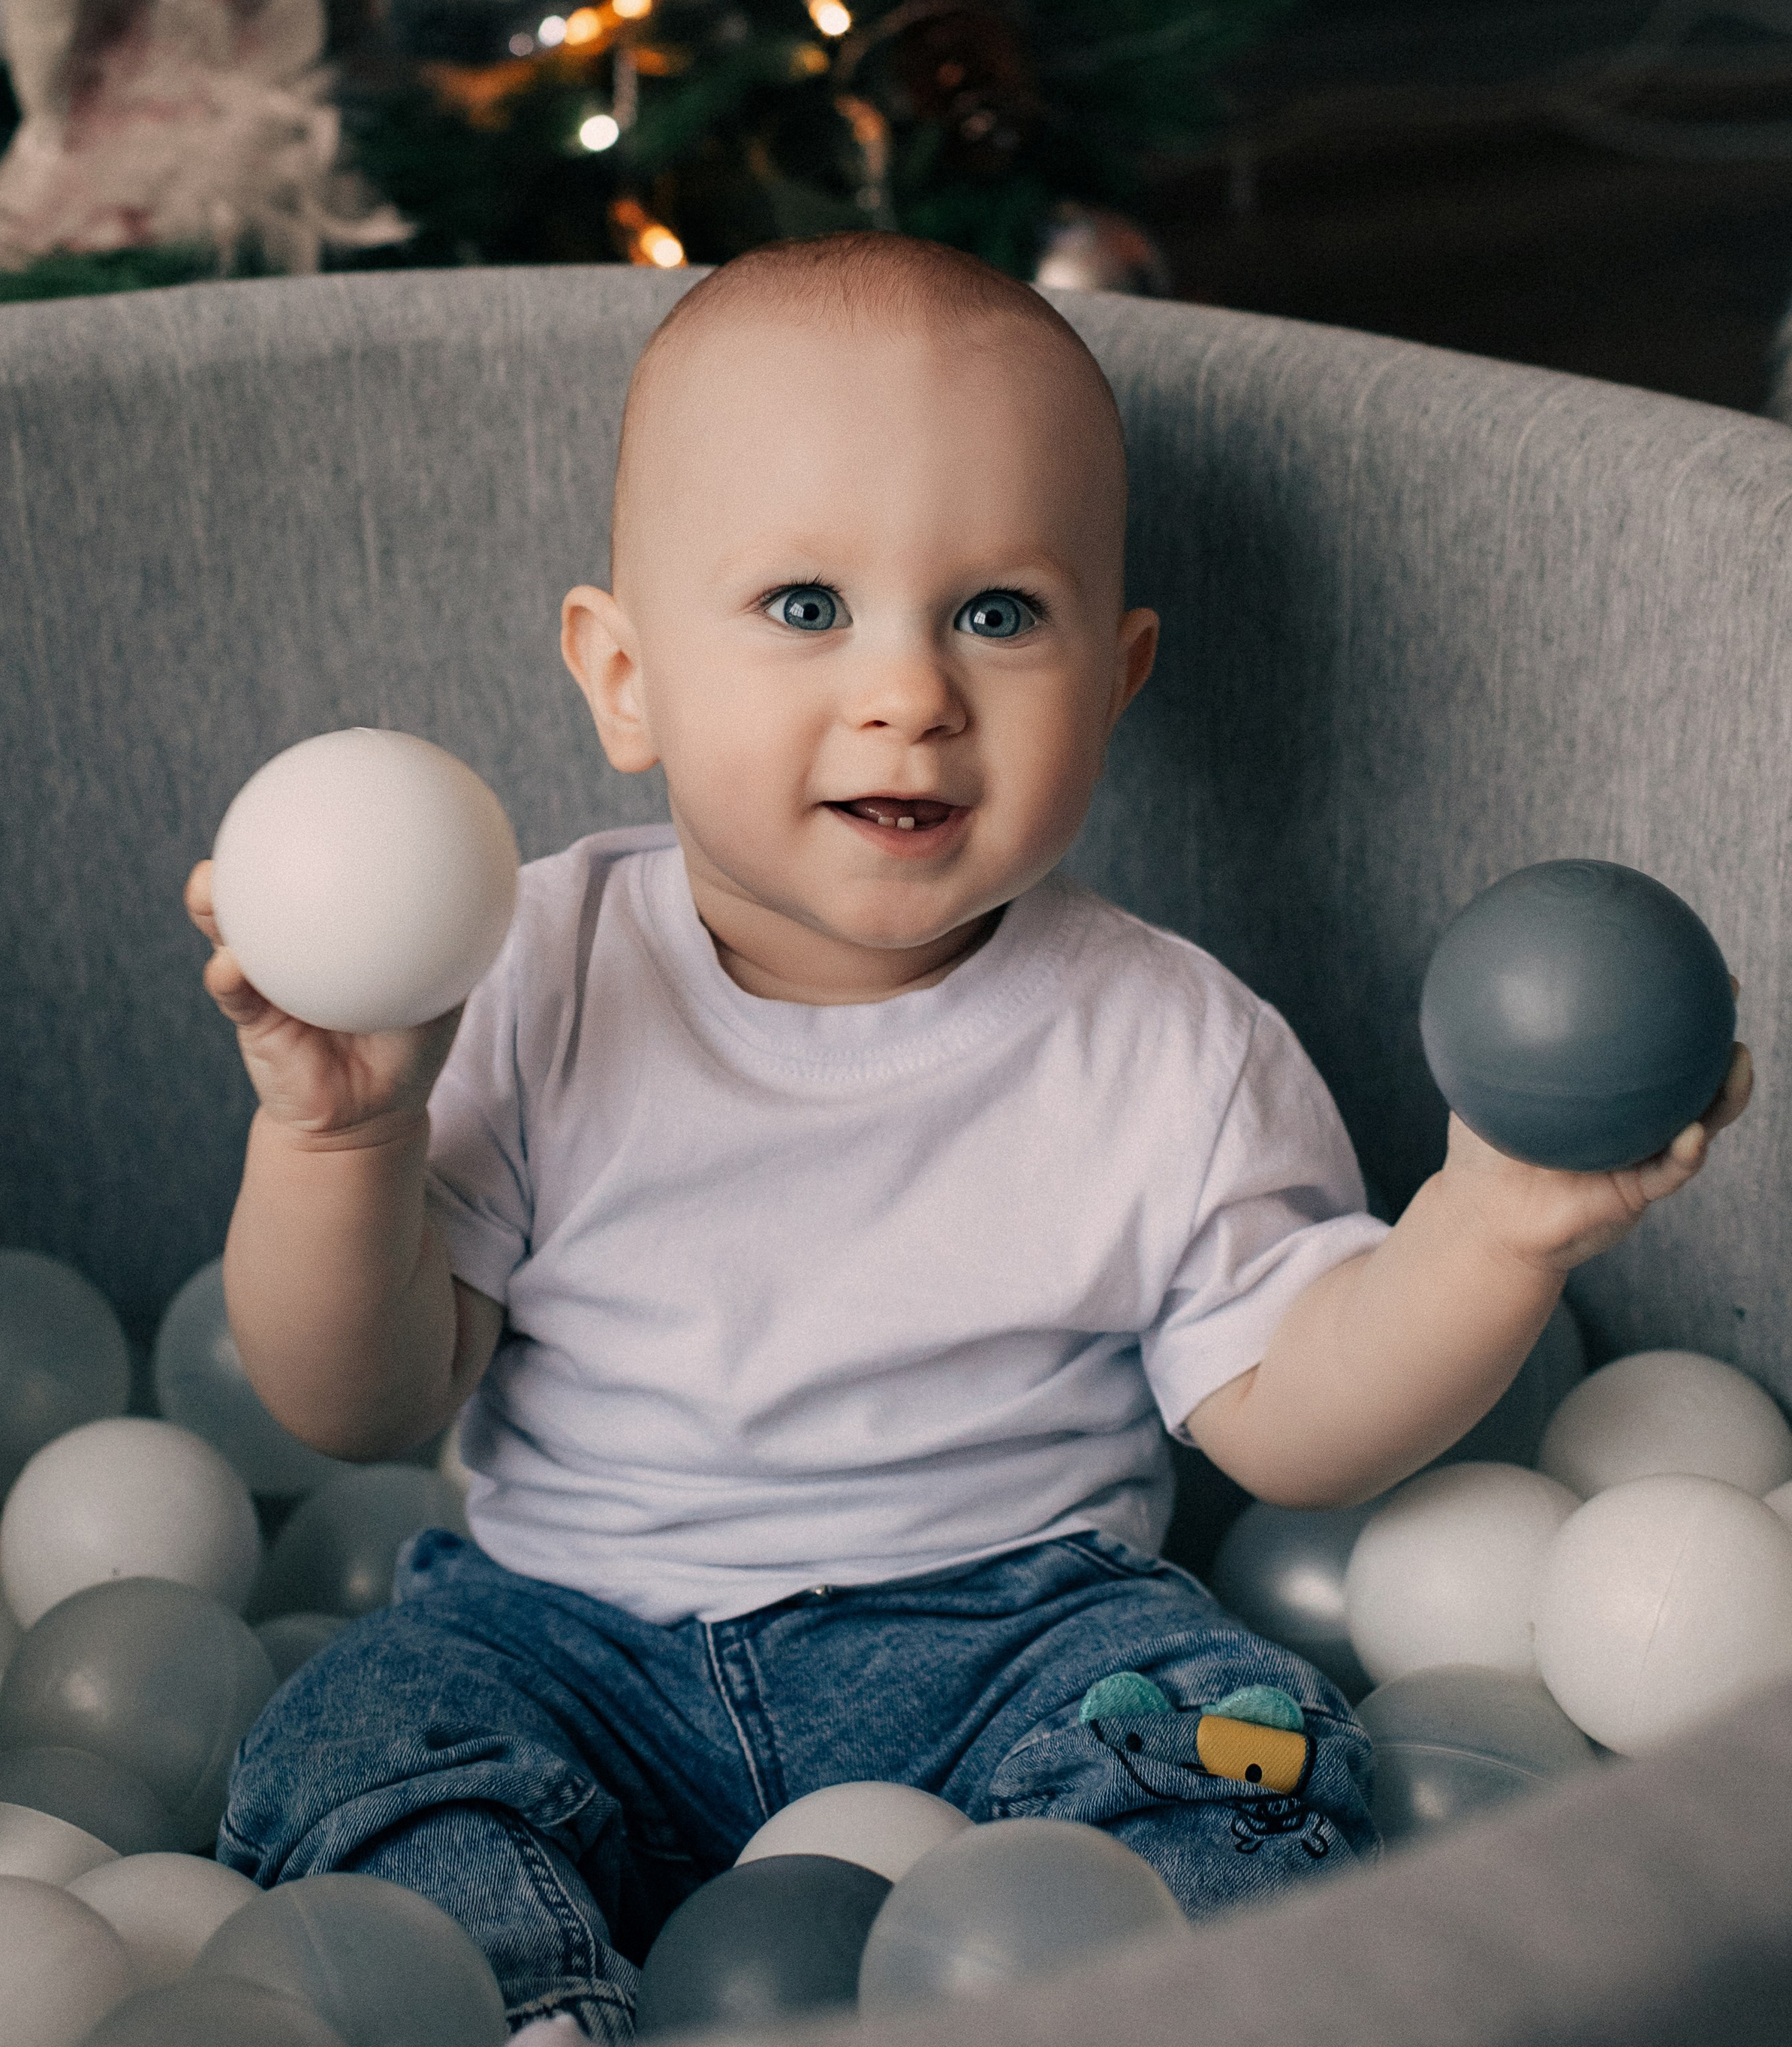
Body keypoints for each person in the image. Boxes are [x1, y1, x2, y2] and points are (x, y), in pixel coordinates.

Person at [191, 233, 1750, 2036]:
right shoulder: (521, 972)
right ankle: (535, 2006)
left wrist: (1492, 1223)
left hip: (1016, 1641)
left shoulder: (1165, 1043)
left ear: (1114, 678)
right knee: (356, 1742)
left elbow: (1293, 1422)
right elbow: (362, 1402)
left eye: (997, 615)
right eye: (804, 607)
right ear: (624, 679)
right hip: (564, 1639)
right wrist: (342, 1139)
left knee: (1231, 1747)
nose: (910, 692)